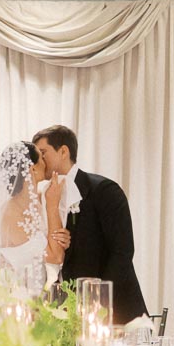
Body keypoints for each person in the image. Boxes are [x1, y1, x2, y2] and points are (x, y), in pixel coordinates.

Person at [33, 124, 148, 323]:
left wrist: (97, 302)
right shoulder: (39, 198)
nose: (39, 161)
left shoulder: (104, 191)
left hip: (112, 312)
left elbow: (122, 253)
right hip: (65, 313)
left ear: (63, 151)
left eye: (43, 153)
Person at [0, 141, 69, 286]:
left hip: (46, 294)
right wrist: (52, 206)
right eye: (42, 157)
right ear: (32, 169)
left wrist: (64, 239)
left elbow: (55, 246)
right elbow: (55, 257)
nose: (46, 162)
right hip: (21, 298)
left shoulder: (42, 198)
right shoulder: (10, 214)